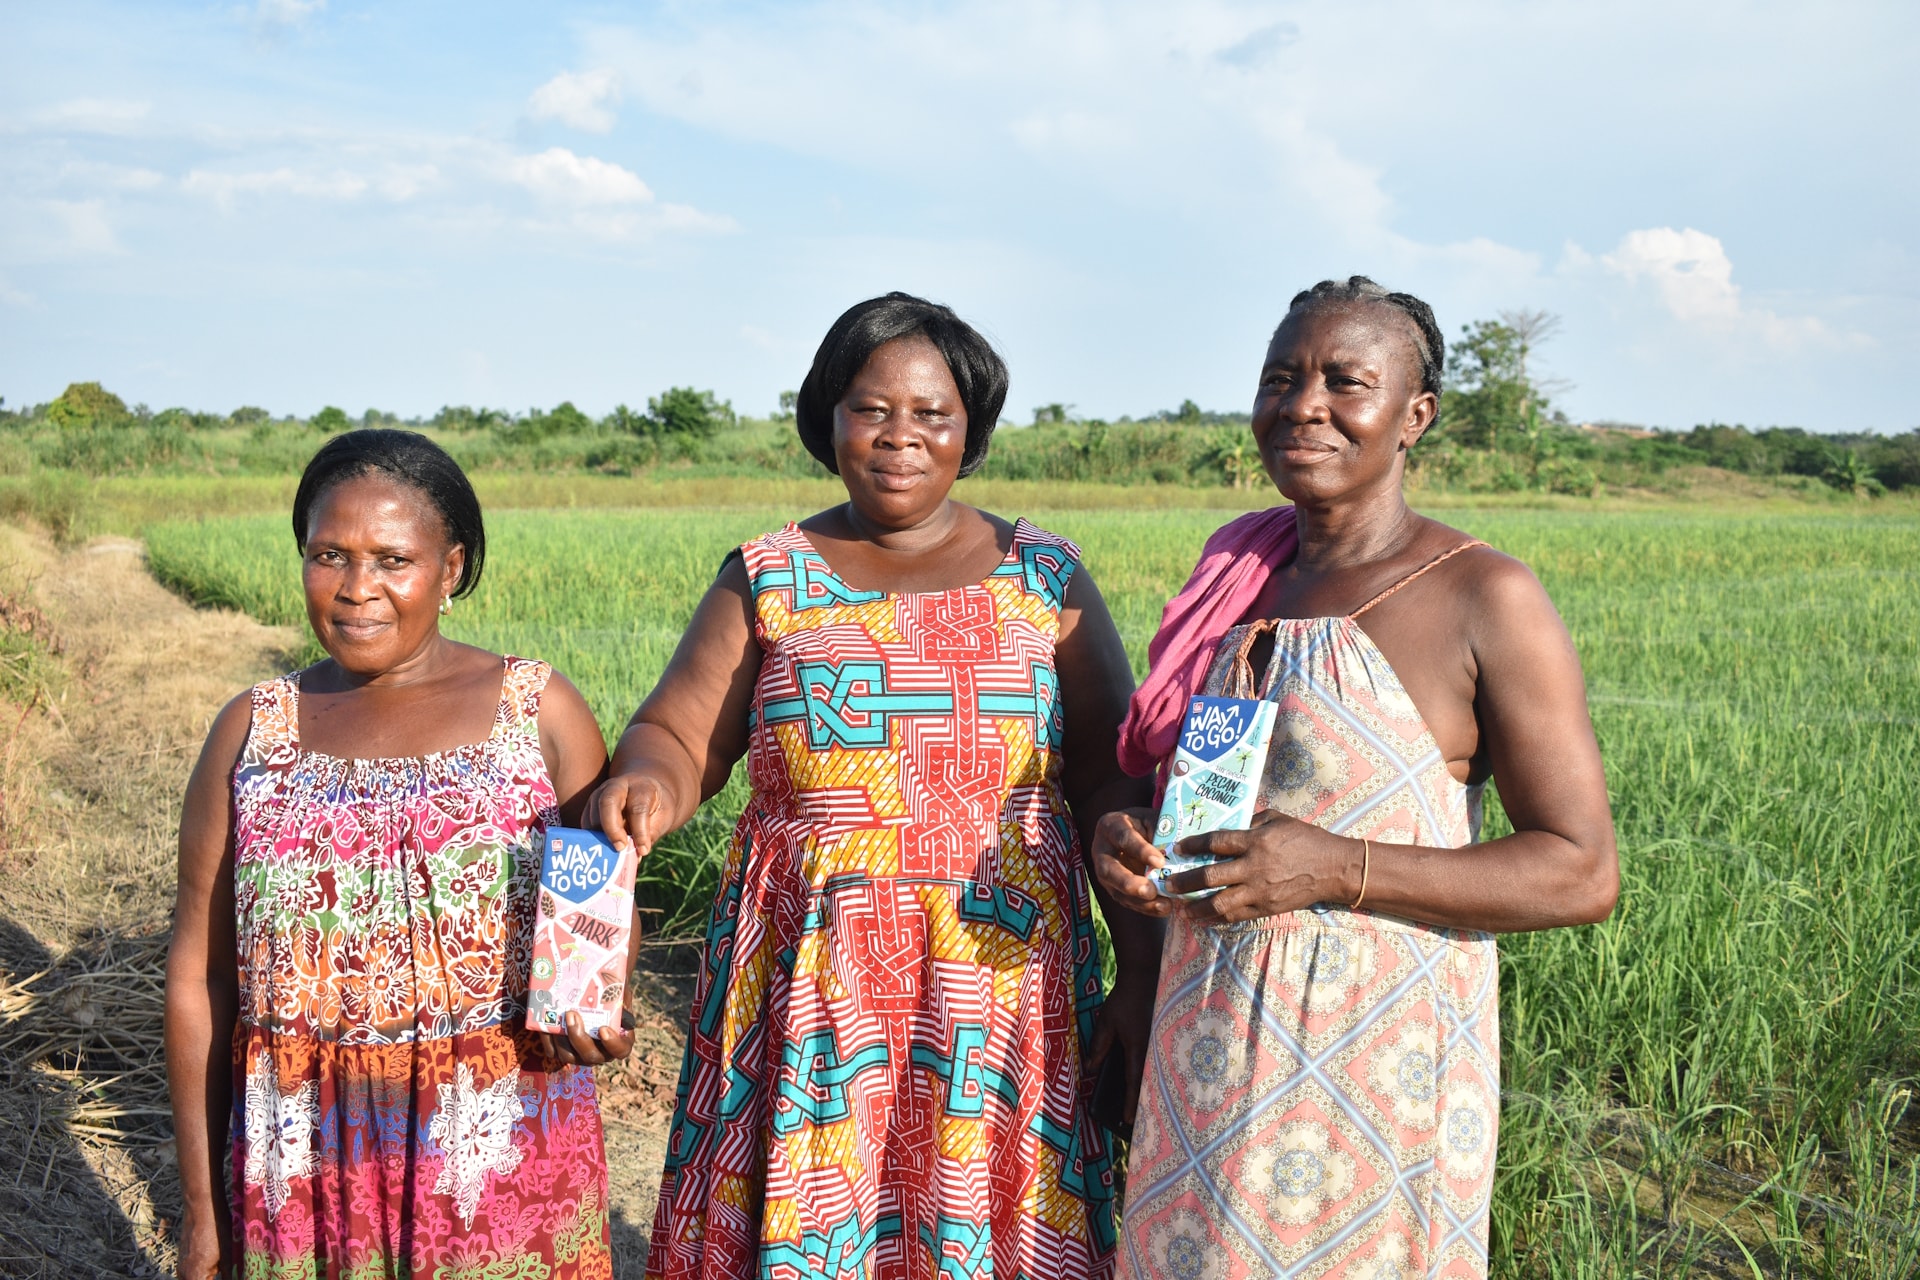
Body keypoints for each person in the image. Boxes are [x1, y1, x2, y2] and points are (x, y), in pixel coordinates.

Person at [592, 292, 1162, 1280]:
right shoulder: (768, 575)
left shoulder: (1045, 577)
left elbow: (1114, 777)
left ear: (969, 431)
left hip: (1003, 987)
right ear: (830, 418)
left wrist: (1143, 975)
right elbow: (680, 731)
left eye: (931, 414)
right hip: (813, 977)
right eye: (870, 408)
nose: (899, 437)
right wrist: (649, 778)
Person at [1094, 278, 1619, 1279]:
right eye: (1281, 378)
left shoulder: (1482, 595)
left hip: (1373, 1086)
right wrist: (1130, 836)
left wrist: (1337, 867)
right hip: (1204, 1053)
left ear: (1415, 415)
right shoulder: (1243, 578)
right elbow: (1199, 798)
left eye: (1346, 380)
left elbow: (1580, 870)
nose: (1304, 404)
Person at [165, 429, 630, 1280]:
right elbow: (202, 978)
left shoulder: (538, 712)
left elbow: (592, 915)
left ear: (450, 570)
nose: (355, 590)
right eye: (328, 555)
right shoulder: (251, 731)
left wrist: (589, 1012)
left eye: (391, 559)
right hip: (299, 1156)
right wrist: (203, 1214)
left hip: (495, 1143)